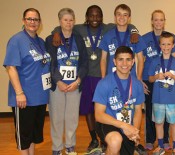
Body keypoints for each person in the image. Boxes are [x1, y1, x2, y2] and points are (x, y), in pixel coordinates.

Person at [51, 5, 140, 153]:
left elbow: (125, 23)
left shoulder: (108, 28)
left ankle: (108, 138)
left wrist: (135, 30)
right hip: (86, 76)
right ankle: (94, 138)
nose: (95, 18)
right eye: (91, 15)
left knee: (109, 107)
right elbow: (64, 26)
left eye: (98, 15)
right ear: (86, 17)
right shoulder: (79, 28)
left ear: (102, 17)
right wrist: (55, 32)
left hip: (103, 76)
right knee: (89, 110)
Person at [3, 8, 51, 155]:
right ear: (23, 21)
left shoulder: (41, 42)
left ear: (40, 22)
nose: (32, 22)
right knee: (24, 136)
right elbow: (11, 68)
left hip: (40, 97)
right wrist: (19, 93)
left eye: (36, 19)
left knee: (33, 135)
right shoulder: (16, 40)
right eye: (29, 19)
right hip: (24, 97)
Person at [45, 8, 88, 155]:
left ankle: (70, 145)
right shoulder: (51, 39)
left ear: (74, 21)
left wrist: (78, 81)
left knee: (72, 118)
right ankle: (57, 147)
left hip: (74, 85)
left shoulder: (79, 39)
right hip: (58, 85)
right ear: (60, 21)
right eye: (65, 20)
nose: (68, 23)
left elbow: (84, 63)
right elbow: (50, 63)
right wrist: (58, 81)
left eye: (71, 20)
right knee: (56, 118)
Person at [93, 46, 145, 155]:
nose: (124, 63)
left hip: (127, 125)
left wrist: (134, 131)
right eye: (120, 59)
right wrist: (124, 126)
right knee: (115, 141)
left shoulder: (137, 84)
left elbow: (138, 111)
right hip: (107, 123)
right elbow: (98, 115)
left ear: (133, 62)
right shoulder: (104, 83)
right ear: (114, 61)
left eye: (128, 59)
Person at [141, 9, 175, 150]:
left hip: (168, 82)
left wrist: (173, 76)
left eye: (161, 19)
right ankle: (151, 139)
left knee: (168, 112)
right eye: (156, 19)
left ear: (164, 21)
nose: (158, 22)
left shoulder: (171, 37)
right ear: (152, 21)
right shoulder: (144, 38)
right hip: (150, 79)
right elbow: (141, 60)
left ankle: (165, 140)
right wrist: (140, 80)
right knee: (152, 111)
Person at [148, 32, 175, 155]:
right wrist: (157, 76)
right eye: (163, 44)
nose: (166, 46)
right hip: (157, 98)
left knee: (174, 123)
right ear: (159, 45)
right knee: (159, 123)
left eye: (169, 44)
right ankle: (161, 146)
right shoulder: (154, 61)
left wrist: (173, 76)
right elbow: (150, 79)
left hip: (172, 99)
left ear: (173, 45)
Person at [100, 4, 146, 80]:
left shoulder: (135, 37)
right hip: (111, 79)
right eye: (119, 14)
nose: (121, 17)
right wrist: (103, 77)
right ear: (115, 17)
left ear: (129, 18)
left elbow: (140, 59)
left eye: (125, 15)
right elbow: (103, 59)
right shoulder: (107, 36)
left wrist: (139, 78)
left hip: (131, 78)